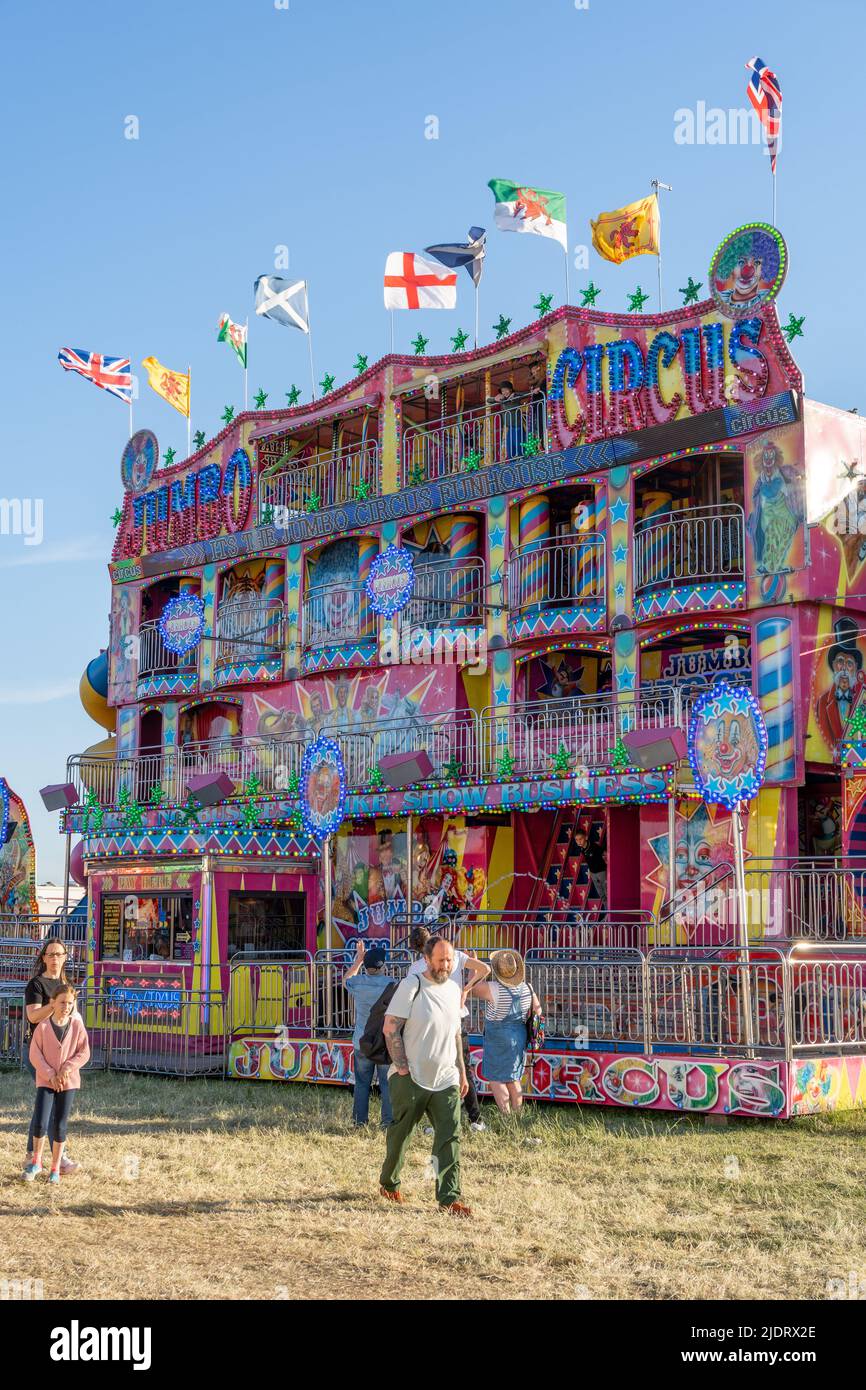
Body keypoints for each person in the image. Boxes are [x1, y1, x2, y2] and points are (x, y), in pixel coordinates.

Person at [379, 936, 472, 1217]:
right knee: (401, 1133)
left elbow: (455, 1034)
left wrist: (461, 1073)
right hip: (412, 1076)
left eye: (450, 960)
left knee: (449, 1137)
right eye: (441, 960)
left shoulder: (455, 989)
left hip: (446, 1078)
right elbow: (390, 1027)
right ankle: (389, 1182)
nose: (446, 965)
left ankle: (449, 1198)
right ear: (427, 959)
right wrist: (402, 1067)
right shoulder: (412, 984)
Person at [407, 924, 489, 1131]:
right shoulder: (456, 956)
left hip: (432, 1022)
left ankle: (438, 1121)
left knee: (436, 1071)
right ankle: (475, 1119)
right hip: (456, 1018)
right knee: (464, 1070)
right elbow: (485, 969)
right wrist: (466, 989)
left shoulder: (415, 968)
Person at [22, 938, 80, 1177]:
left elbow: (73, 1017)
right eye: (51, 954)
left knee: (58, 1105)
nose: (55, 958)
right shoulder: (36, 984)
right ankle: (33, 1156)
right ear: (43, 958)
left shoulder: (67, 983)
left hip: (63, 1053)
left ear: (66, 957)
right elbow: (33, 1017)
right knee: (45, 1101)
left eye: (59, 954)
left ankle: (58, 1157)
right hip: (38, 1052)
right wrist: (55, 1004)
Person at [23, 984, 90, 1183]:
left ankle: (55, 1167)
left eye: (70, 1003)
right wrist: (50, 1074)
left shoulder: (77, 1026)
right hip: (46, 1081)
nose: (66, 1006)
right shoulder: (43, 1027)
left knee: (60, 1124)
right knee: (41, 1121)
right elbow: (35, 1054)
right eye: (62, 1002)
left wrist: (68, 1067)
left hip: (68, 1082)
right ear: (53, 1002)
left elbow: (84, 1052)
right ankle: (36, 1161)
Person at [469, 949, 540, 1117]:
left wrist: (474, 964)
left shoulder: (493, 988)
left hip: (498, 1036)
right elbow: (537, 1009)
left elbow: (473, 988)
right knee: (513, 1076)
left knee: (496, 1077)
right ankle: (518, 1114)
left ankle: (506, 1116)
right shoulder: (527, 988)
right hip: (519, 1034)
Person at [343, 940, 395, 1128]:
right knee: (387, 1085)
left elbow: (346, 979)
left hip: (361, 1042)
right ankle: (388, 1123)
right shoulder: (392, 985)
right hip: (384, 1042)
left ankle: (359, 1122)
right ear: (384, 966)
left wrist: (358, 960)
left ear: (366, 965)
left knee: (362, 1083)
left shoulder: (357, 983)